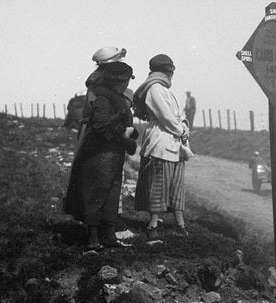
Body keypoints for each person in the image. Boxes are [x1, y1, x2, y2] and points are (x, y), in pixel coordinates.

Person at [62, 61, 138, 251]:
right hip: (100, 155)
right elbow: (101, 127)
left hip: (112, 154)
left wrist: (128, 132)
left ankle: (109, 236)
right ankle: (93, 239)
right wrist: (125, 133)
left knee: (111, 193)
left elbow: (111, 124)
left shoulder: (112, 97)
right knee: (97, 192)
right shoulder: (104, 99)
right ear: (120, 80)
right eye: (127, 79)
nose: (128, 83)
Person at [133, 54, 190, 237]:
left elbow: (176, 115)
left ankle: (180, 224)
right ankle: (153, 225)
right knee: (159, 183)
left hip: (174, 139)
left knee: (176, 184)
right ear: (165, 71)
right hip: (161, 139)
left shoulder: (165, 90)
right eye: (169, 71)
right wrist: (180, 129)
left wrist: (183, 126)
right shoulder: (155, 88)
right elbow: (165, 116)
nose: (170, 75)